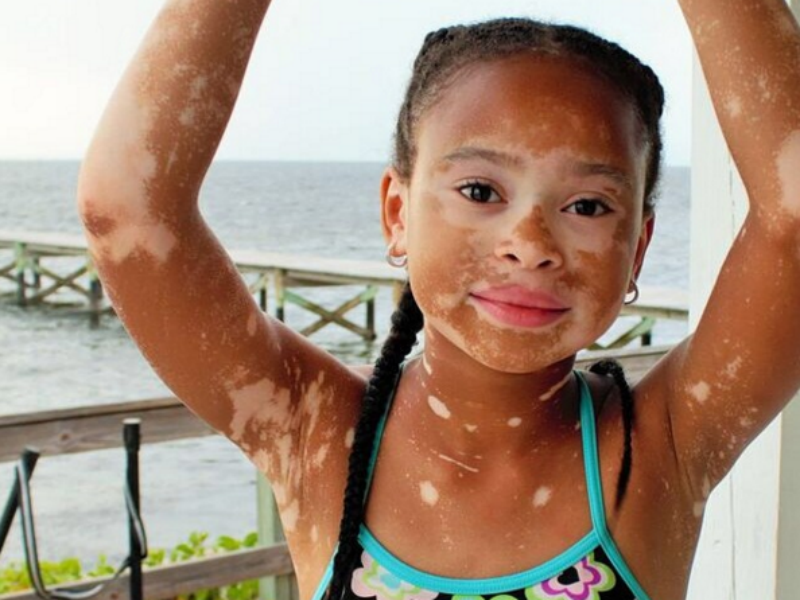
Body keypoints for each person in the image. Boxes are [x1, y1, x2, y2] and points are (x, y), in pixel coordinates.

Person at [76, 1, 800, 599]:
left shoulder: (660, 448)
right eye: (481, 190)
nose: (530, 243)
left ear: (636, 248)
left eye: (587, 205)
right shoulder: (312, 434)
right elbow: (128, 211)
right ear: (398, 213)